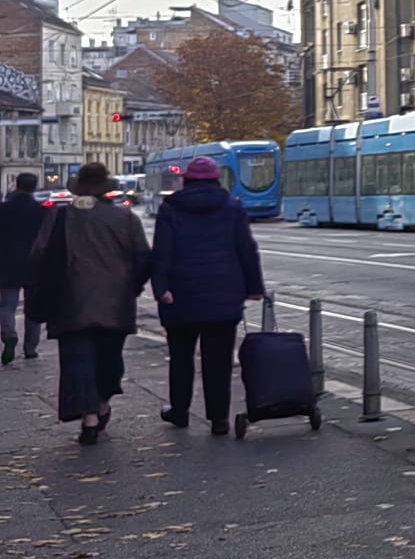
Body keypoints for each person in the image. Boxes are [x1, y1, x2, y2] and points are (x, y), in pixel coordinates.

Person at [27, 163, 150, 444]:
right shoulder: (126, 219)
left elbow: (38, 255)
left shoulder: (60, 217)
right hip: (115, 302)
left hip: (69, 300)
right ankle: (101, 403)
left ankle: (90, 417)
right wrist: (131, 286)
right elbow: (143, 258)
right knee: (109, 359)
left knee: (77, 360)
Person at [150, 155, 265, 436]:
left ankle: (179, 412)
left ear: (186, 180)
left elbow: (162, 251)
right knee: (219, 361)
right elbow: (246, 249)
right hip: (224, 294)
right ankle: (219, 419)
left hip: (180, 294)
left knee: (181, 358)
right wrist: (254, 287)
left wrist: (160, 288)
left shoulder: (171, 207)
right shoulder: (232, 207)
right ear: (217, 180)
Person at [0, 173, 43, 364]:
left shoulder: (3, 209)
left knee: (7, 305)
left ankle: (9, 335)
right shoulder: (41, 211)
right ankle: (30, 348)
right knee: (33, 308)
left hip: (7, 264)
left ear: (16, 186)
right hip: (34, 265)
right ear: (34, 188)